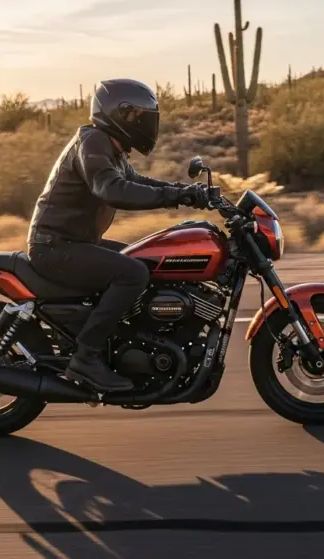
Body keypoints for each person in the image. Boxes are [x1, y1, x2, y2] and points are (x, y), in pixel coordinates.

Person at [26, 78, 210, 393]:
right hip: (54, 247)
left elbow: (136, 181)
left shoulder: (109, 147)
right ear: (119, 114)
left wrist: (185, 192)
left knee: (146, 262)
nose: (145, 124)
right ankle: (86, 356)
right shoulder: (93, 142)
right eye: (139, 117)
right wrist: (174, 196)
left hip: (76, 244)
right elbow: (112, 189)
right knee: (132, 274)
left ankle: (129, 344)